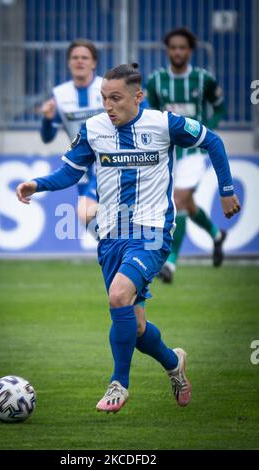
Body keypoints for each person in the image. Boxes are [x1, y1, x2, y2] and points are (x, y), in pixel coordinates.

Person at [17, 63, 240, 414]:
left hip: (152, 232)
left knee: (118, 295)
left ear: (138, 97)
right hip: (111, 236)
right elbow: (69, 172)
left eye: (116, 98)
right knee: (134, 326)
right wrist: (38, 185)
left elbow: (213, 140)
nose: (108, 105)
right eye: (104, 98)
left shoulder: (164, 123)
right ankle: (173, 364)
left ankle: (118, 384)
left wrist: (226, 190)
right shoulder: (93, 129)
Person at [147, 28, 227, 283]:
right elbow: (150, 114)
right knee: (186, 204)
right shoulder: (156, 81)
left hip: (193, 152)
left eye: (182, 47)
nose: (178, 52)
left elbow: (220, 107)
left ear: (190, 51)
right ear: (168, 50)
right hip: (167, 152)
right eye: (173, 47)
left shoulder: (204, 79)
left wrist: (207, 131)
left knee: (179, 199)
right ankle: (216, 234)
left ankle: (170, 263)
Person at [40, 39, 103, 231]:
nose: (79, 61)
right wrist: (47, 119)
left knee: (87, 212)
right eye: (75, 57)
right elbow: (47, 137)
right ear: (68, 63)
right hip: (82, 164)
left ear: (94, 63)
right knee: (91, 219)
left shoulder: (106, 87)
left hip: (108, 159)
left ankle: (125, 253)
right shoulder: (60, 94)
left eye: (85, 57)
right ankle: (119, 254)